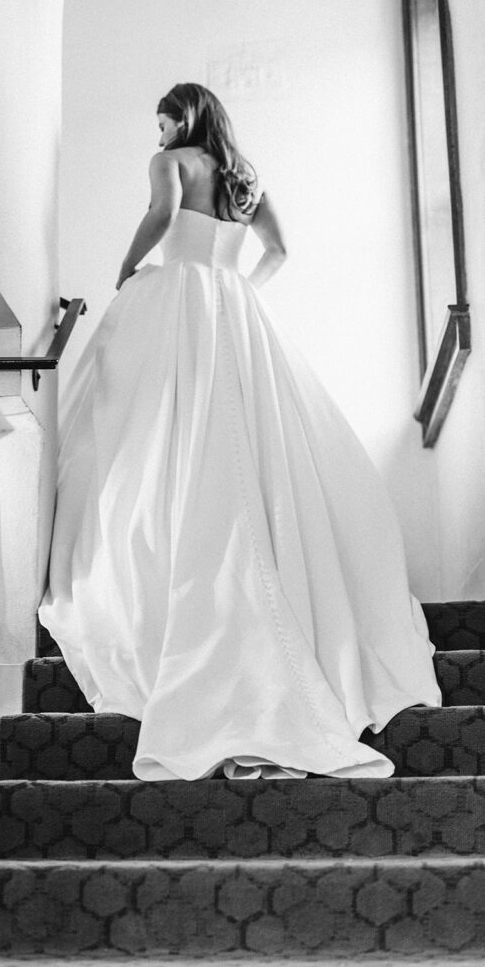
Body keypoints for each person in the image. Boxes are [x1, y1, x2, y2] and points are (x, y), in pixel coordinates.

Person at [38, 82, 441, 781]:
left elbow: (161, 215)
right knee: (248, 438)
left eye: (159, 116)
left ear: (178, 114)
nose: (156, 128)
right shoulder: (242, 175)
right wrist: (241, 290)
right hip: (234, 304)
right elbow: (279, 249)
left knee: (162, 429)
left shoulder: (171, 162)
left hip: (180, 297)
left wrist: (127, 267)